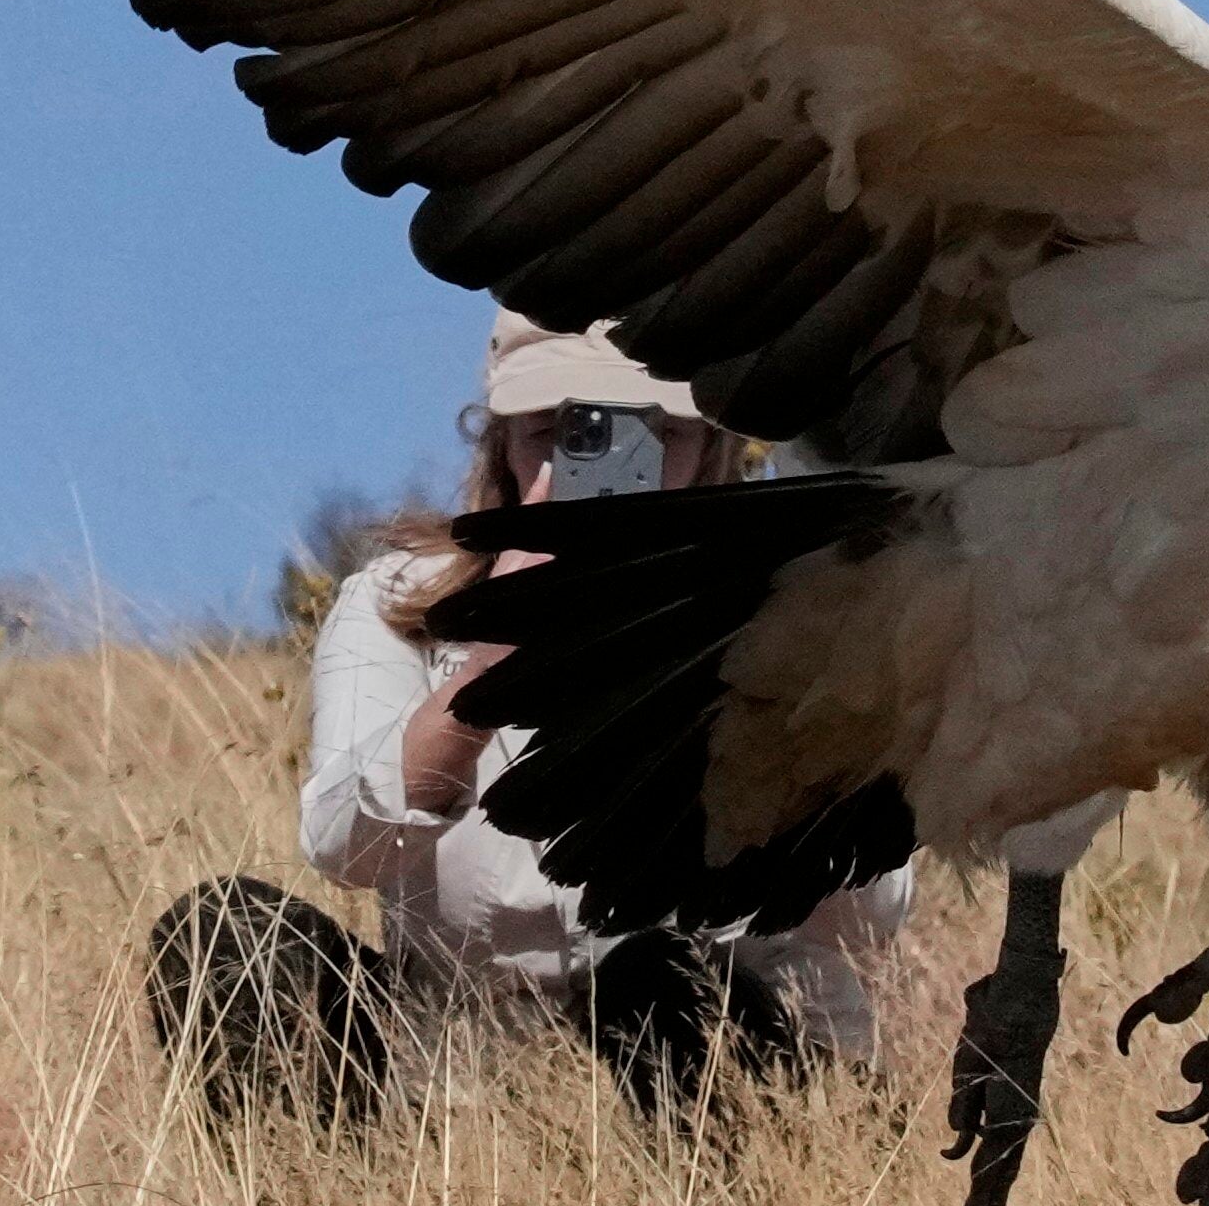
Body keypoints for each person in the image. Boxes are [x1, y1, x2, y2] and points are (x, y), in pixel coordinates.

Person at [147, 313, 914, 1123]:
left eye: (648, 436)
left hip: (734, 1033)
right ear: (502, 440)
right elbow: (343, 846)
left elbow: (870, 915)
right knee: (228, 941)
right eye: (562, 431)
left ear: (710, 448)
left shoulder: (805, 606)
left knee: (651, 976)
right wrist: (486, 670)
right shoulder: (400, 603)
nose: (605, 467)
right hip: (467, 1067)